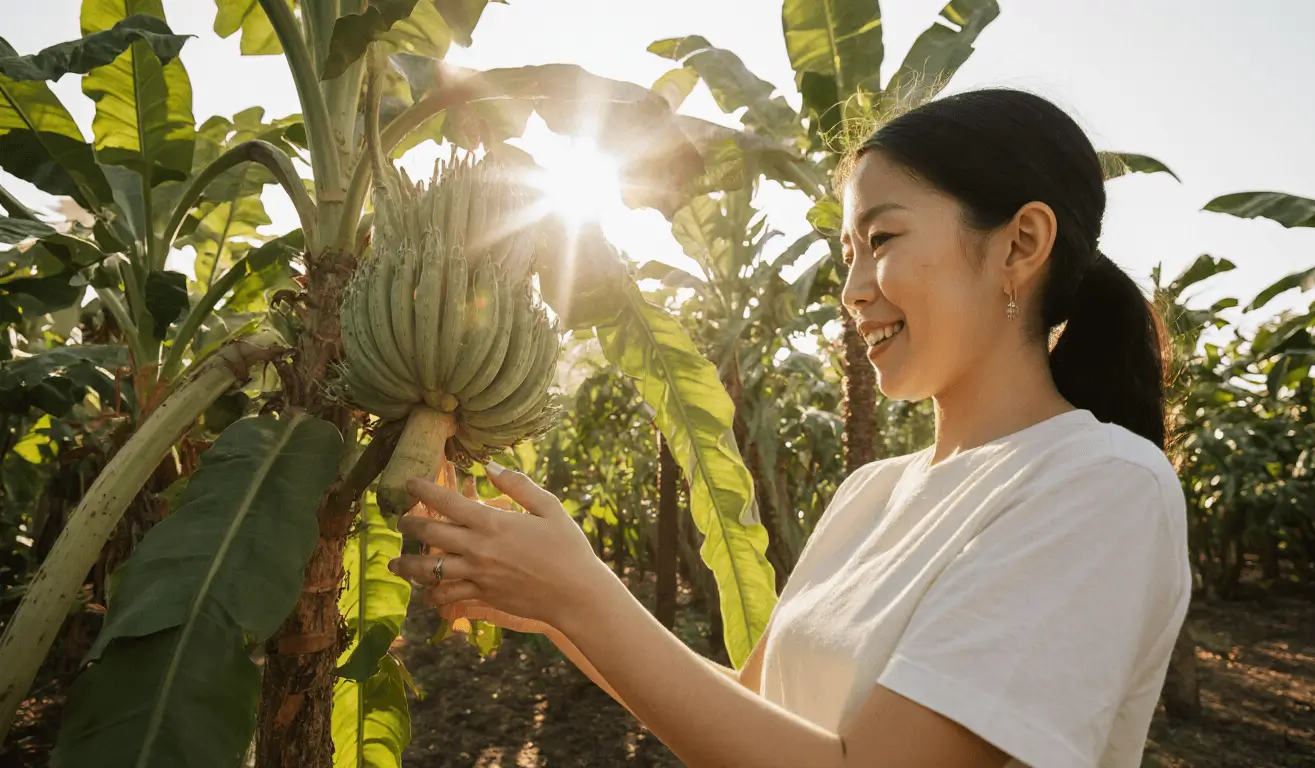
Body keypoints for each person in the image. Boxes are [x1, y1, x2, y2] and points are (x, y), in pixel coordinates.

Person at [388, 88, 1192, 768]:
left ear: (1022, 242)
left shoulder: (1100, 483)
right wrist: (551, 604)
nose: (849, 290)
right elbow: (752, 716)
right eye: (845, 251)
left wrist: (585, 597)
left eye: (881, 239)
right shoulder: (871, 492)